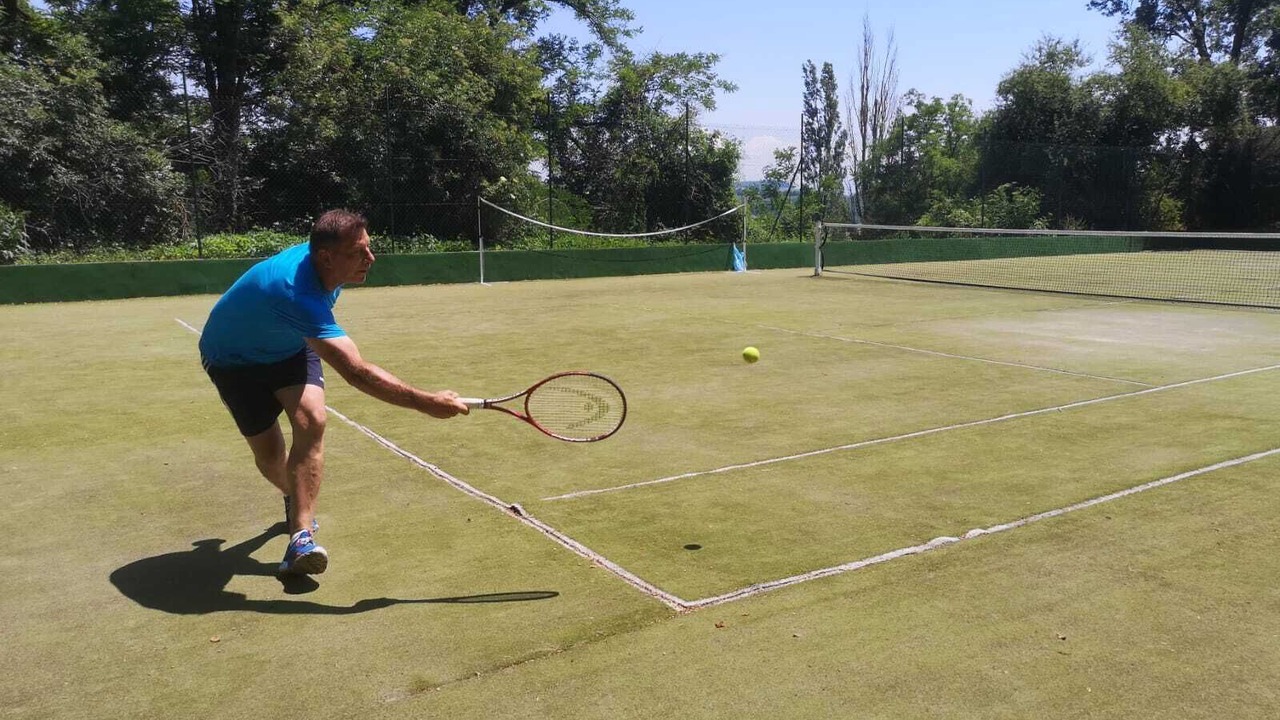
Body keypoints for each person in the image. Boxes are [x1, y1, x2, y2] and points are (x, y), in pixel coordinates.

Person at [199, 209, 469, 576]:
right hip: (232, 362)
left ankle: (300, 537)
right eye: (359, 253)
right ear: (326, 257)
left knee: (312, 419)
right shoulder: (295, 293)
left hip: (291, 348)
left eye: (369, 248)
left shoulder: (327, 264)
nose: (371, 258)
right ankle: (292, 497)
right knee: (271, 458)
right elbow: (356, 373)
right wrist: (427, 402)